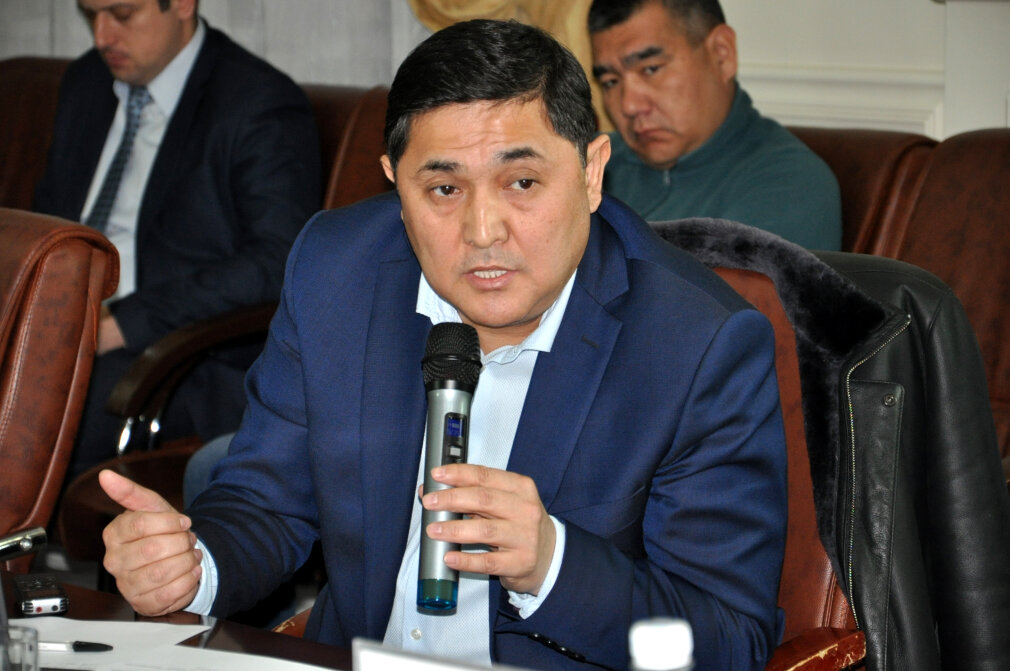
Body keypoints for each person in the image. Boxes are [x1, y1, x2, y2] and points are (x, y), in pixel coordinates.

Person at [98, 19, 787, 671]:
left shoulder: (697, 344)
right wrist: (192, 564)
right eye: (444, 188)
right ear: (396, 184)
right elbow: (266, 500)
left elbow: (728, 641)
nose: (483, 230)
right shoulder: (338, 268)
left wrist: (552, 563)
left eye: (522, 182)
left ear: (591, 172)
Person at [33, 0, 321, 479]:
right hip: (61, 323)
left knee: (27, 417)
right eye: (90, 15)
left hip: (175, 355)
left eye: (122, 14)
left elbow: (277, 261)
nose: (102, 36)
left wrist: (122, 323)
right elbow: (49, 217)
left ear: (183, 4)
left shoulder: (256, 101)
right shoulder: (87, 81)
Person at [588, 0, 842, 250]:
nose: (630, 105)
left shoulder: (788, 183)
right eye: (610, 81)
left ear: (722, 54)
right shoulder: (591, 160)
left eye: (651, 69)